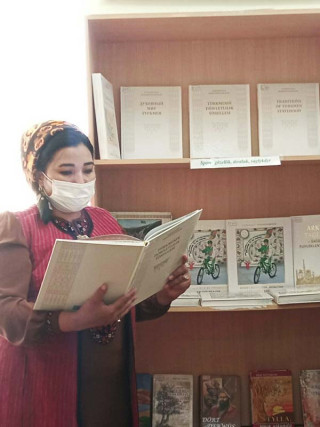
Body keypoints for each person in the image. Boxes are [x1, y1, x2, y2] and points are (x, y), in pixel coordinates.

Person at [0, 120, 192, 426]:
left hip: (110, 383)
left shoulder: (104, 220)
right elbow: (6, 312)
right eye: (67, 172)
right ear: (39, 175)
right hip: (46, 382)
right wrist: (71, 320)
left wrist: (162, 294)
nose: (80, 180)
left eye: (88, 170)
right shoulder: (18, 226)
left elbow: (123, 300)